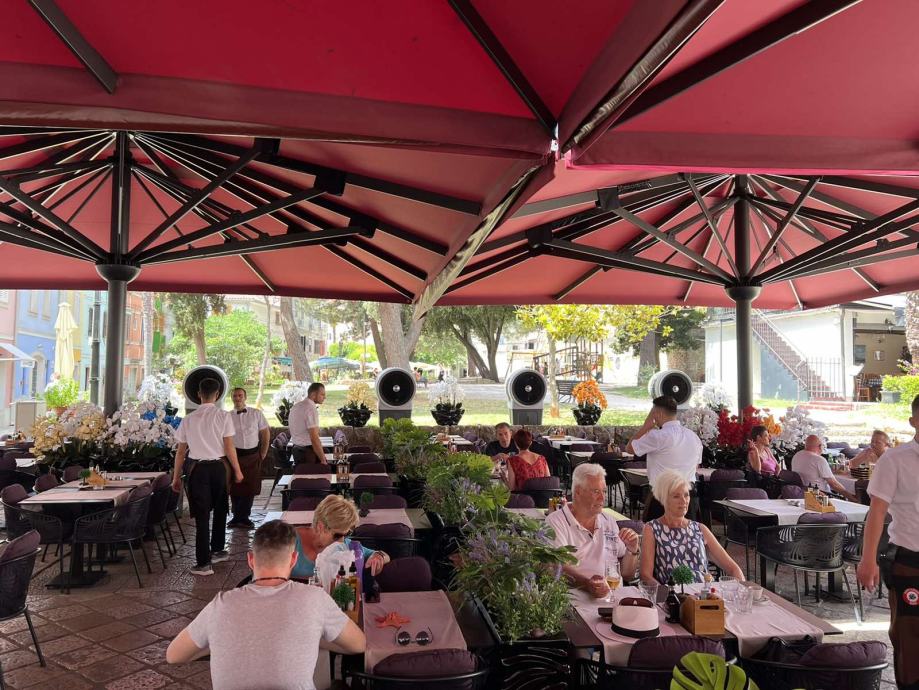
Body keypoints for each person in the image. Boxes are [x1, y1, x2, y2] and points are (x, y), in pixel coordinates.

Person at [166, 520, 365, 690]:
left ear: (250, 560)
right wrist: (313, 636)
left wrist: (219, 641)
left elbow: (173, 655)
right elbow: (358, 644)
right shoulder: (315, 599)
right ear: (293, 559)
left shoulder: (221, 605)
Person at [857, 394, 919, 690]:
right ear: (914, 421)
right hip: (909, 559)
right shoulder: (895, 459)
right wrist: (868, 560)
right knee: (909, 636)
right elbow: (877, 511)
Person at [171, 378, 244, 576]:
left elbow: (180, 452)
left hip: (197, 470)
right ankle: (218, 550)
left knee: (202, 516)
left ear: (198, 394)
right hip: (219, 468)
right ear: (218, 395)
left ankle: (203, 563)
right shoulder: (223, 416)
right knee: (221, 508)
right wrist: (237, 470)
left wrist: (176, 477)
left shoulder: (188, 419)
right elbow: (229, 447)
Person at [547, 463, 639, 598]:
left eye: (604, 491)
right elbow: (557, 567)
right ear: (578, 491)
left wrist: (632, 549)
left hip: (614, 598)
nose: (602, 498)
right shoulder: (556, 522)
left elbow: (627, 574)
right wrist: (587, 584)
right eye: (596, 491)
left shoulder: (609, 521)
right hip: (576, 600)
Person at [640, 470, 744, 585]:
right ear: (663, 499)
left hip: (704, 592)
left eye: (686, 495)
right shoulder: (652, 528)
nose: (684, 501)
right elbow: (645, 575)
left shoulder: (700, 528)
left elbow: (734, 569)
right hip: (673, 593)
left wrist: (741, 591)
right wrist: (664, 593)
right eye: (676, 496)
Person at [626, 395, 702, 521]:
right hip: (688, 498)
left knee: (656, 533)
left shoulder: (657, 436)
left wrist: (645, 426)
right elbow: (696, 466)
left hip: (662, 498)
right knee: (687, 533)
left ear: (658, 413)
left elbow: (629, 448)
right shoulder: (694, 437)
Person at [290, 495, 389, 580]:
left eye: (347, 534)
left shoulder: (344, 545)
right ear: (320, 527)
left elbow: (380, 554)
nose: (342, 541)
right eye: (337, 535)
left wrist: (378, 557)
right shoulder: (290, 540)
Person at [228, 387, 270, 529]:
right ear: (231, 398)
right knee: (235, 487)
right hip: (235, 456)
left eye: (240, 395)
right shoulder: (227, 416)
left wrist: (263, 453)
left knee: (250, 487)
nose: (237, 398)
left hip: (253, 455)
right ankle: (236, 517)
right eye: (235, 396)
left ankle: (245, 517)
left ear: (245, 397)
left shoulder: (256, 414)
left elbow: (265, 433)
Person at [791, 434, 857, 500]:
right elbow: (834, 484)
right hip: (821, 496)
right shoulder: (819, 459)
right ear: (820, 446)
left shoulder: (796, 455)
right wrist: (852, 498)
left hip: (802, 493)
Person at [289, 382, 327, 465]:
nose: (325, 397)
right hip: (308, 454)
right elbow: (314, 438)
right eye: (322, 394)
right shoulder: (310, 408)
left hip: (296, 451)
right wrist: (323, 460)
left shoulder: (296, 406)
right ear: (313, 394)